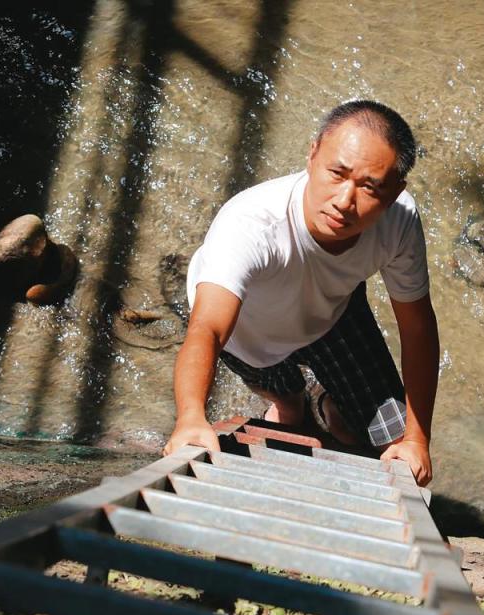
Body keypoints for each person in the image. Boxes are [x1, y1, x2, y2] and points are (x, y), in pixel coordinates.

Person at [162, 100, 439, 486]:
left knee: (393, 443)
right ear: (312, 155)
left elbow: (417, 328)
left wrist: (417, 438)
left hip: (334, 315)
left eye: (369, 187)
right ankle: (298, 401)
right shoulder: (252, 223)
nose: (344, 201)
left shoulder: (400, 222)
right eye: (336, 174)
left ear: (394, 193)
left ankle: (329, 403)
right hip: (248, 333)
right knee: (287, 402)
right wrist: (191, 416)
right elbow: (207, 327)